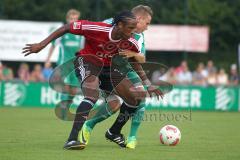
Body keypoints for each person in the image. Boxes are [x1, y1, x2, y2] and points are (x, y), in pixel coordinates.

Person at [22, 10, 162, 149]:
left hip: (108, 69)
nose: (133, 32)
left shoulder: (131, 41)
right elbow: (66, 28)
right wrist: (42, 44)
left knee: (134, 99)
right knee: (92, 94)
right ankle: (71, 139)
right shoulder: (96, 28)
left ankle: (113, 132)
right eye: (130, 28)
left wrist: (148, 84)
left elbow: (134, 62)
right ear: (119, 25)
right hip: (87, 62)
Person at [80, 5, 154, 149]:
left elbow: (142, 58)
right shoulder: (110, 23)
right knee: (114, 103)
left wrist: (134, 54)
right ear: (138, 19)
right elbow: (92, 36)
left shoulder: (139, 36)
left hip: (126, 70)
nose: (147, 27)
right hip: (104, 69)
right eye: (147, 23)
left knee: (140, 96)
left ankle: (129, 136)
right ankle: (89, 125)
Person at [46, 9, 84, 117]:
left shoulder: (80, 35)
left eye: (75, 19)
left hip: (76, 65)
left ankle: (66, 106)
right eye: (71, 19)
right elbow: (53, 46)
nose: (73, 21)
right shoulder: (62, 32)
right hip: (63, 65)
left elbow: (82, 50)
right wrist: (48, 59)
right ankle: (63, 110)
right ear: (67, 20)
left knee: (74, 88)